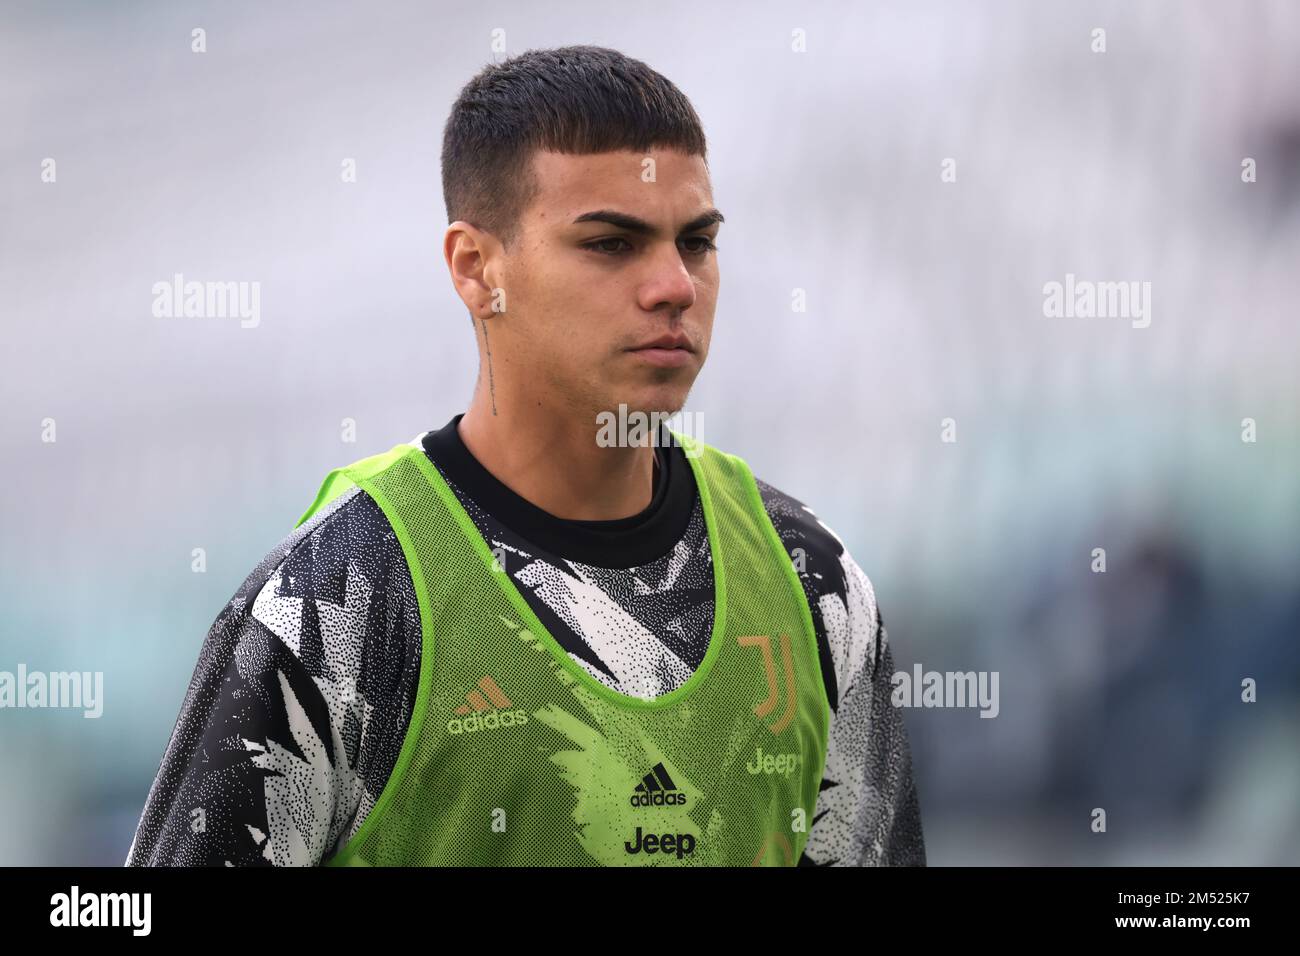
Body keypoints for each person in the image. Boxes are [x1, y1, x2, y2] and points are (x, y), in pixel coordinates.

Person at [125, 44, 924, 867]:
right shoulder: (339, 602)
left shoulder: (812, 583)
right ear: (477, 269)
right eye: (612, 244)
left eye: (696, 242)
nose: (675, 286)